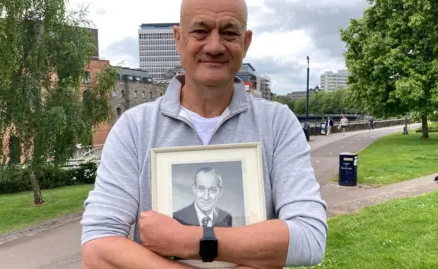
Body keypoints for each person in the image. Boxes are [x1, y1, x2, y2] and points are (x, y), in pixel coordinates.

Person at [80, 0, 328, 268]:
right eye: (200, 31)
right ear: (178, 39)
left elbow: (309, 237)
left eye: (229, 33)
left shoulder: (278, 124)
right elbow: (97, 248)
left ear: (246, 42)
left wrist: (187, 240)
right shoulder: (134, 128)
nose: (214, 46)